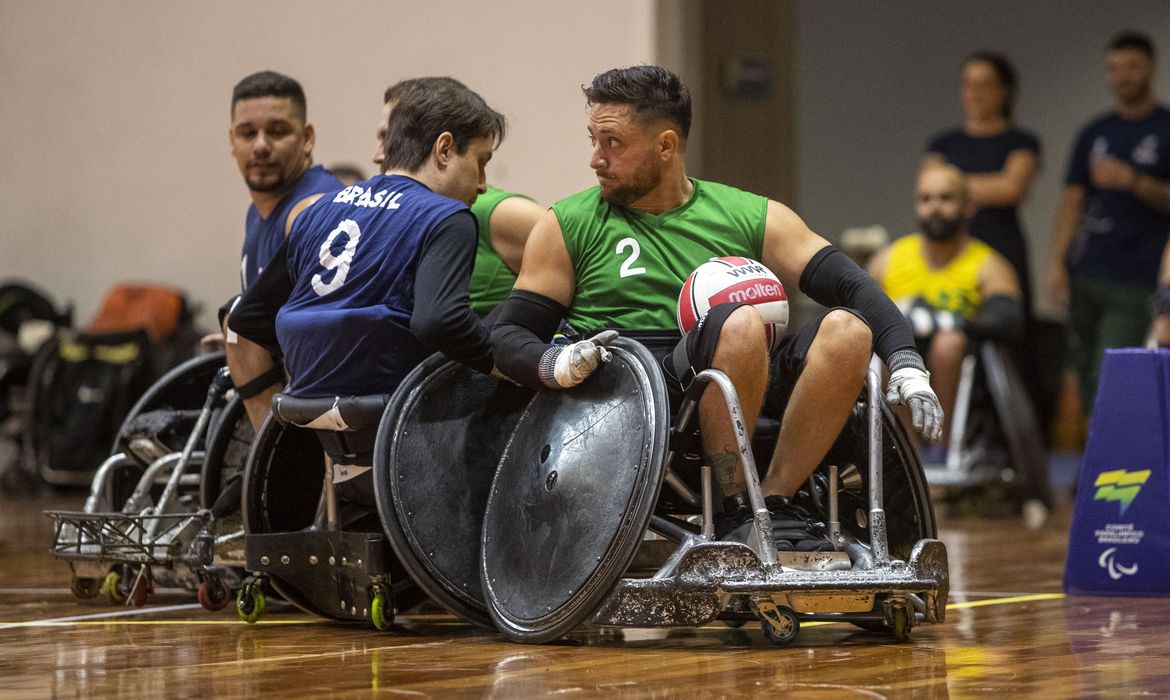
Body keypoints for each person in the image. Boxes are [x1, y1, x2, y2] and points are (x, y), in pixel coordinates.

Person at [491, 65, 942, 553]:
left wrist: (907, 362)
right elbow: (507, 335)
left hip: (743, 371)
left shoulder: (748, 213)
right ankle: (735, 508)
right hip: (633, 392)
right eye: (592, 140)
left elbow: (856, 287)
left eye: (612, 143)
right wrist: (555, 363)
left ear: (666, 146)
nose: (595, 159)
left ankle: (774, 502)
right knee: (740, 321)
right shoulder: (568, 223)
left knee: (849, 331)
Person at [228, 78, 504, 436]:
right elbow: (440, 322)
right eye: (481, 163)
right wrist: (508, 363)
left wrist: (312, 355)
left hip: (306, 412)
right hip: (392, 413)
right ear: (445, 149)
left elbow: (248, 318)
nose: (483, 183)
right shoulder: (446, 215)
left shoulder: (318, 208)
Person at [1047, 31, 1170, 415]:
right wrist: (1056, 262)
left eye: (1132, 67)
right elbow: (1072, 202)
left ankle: (1111, 466)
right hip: (1088, 270)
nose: (1122, 77)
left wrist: (1133, 180)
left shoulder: (1166, 128)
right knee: (1082, 374)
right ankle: (1091, 463)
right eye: (1114, 69)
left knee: (1110, 372)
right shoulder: (1094, 132)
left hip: (1138, 276)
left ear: (1151, 67)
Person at [869, 164, 1023, 449]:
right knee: (883, 340)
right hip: (897, 358)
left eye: (945, 198)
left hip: (961, 365)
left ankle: (941, 445)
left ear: (968, 205)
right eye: (926, 199)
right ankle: (908, 450)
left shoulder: (989, 264)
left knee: (948, 342)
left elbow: (1008, 318)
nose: (934, 208)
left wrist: (943, 322)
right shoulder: (888, 259)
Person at [374, 78, 544, 317]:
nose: (379, 154)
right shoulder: (384, 212)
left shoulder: (503, 212)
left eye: (389, 136)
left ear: (442, 146)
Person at [924, 52, 1040, 315]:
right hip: (949, 246)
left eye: (984, 84)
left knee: (1004, 320)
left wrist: (954, 184)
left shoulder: (1020, 141)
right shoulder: (943, 143)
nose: (974, 93)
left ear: (1004, 91)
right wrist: (985, 186)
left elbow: (1012, 187)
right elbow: (929, 184)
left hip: (1001, 242)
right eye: (968, 84)